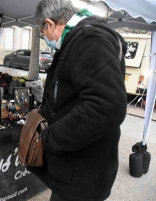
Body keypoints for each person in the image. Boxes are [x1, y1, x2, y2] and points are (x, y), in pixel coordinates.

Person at [28, 0, 127, 200]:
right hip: (76, 168)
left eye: (43, 33)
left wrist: (51, 137)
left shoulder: (90, 40)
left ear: (50, 23)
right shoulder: (79, 39)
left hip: (82, 174)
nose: (45, 38)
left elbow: (107, 106)